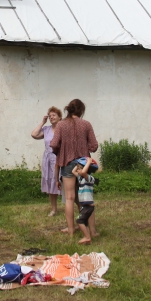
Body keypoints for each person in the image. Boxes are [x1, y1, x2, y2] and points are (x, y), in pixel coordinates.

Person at [49, 99, 99, 239]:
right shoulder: (86, 124)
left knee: (69, 198)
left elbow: (53, 144)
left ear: (69, 110)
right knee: (87, 199)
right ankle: (93, 232)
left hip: (67, 162)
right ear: (81, 111)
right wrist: (84, 147)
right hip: (84, 163)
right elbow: (94, 146)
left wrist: (62, 150)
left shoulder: (61, 125)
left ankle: (71, 230)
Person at [31, 107, 63, 216]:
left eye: (54, 115)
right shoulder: (47, 129)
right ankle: (54, 209)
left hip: (60, 158)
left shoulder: (63, 129)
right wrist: (42, 122)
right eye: (50, 116)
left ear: (60, 117)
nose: (51, 117)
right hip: (48, 159)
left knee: (64, 182)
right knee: (50, 182)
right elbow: (34, 134)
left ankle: (71, 206)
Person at [71, 156, 98, 245]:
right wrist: (77, 164)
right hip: (84, 206)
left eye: (80, 168)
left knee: (79, 221)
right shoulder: (80, 178)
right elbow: (73, 171)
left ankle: (87, 237)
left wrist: (88, 162)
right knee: (84, 222)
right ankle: (87, 237)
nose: (78, 170)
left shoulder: (89, 178)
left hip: (88, 206)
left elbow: (83, 172)